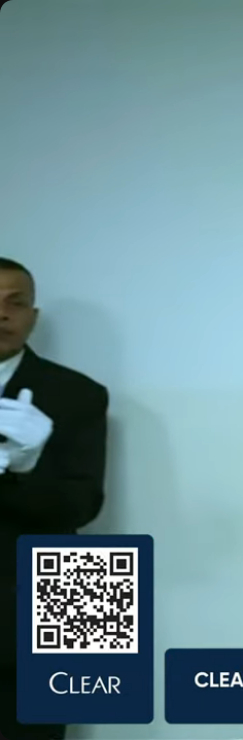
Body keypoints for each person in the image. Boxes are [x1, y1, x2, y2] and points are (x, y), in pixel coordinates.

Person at [0, 258, 110, 740]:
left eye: (16, 303)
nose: (2, 314)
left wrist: (26, 470)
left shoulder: (80, 393)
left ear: (34, 315)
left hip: (54, 588)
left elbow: (84, 506)